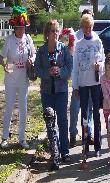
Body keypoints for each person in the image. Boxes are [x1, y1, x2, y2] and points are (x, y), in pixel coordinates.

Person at [34, 19, 73, 162]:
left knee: (62, 121)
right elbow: (37, 69)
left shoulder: (64, 49)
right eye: (53, 31)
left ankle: (65, 152)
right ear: (47, 33)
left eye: (57, 31)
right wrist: (47, 73)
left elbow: (70, 68)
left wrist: (60, 72)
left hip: (61, 91)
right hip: (46, 92)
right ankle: (54, 151)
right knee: (50, 123)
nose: (56, 33)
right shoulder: (42, 50)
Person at [0, 6, 35, 149]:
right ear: (14, 28)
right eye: (18, 28)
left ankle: (22, 138)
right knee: (8, 108)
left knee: (23, 109)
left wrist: (32, 59)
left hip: (23, 80)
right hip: (10, 80)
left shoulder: (28, 39)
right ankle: (5, 138)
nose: (20, 30)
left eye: (22, 27)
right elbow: (1, 56)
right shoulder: (9, 40)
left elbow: (33, 53)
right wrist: (4, 65)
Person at [72, 14, 105, 157]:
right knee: (84, 114)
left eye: (89, 27)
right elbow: (75, 68)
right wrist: (75, 87)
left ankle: (97, 145)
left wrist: (100, 66)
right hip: (83, 84)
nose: (87, 29)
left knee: (96, 115)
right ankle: (85, 145)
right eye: (85, 27)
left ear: (92, 27)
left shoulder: (98, 42)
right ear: (82, 27)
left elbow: (103, 61)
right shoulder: (78, 45)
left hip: (96, 83)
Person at [69, 9, 96, 147]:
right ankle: (72, 134)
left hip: (91, 81)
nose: (88, 24)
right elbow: (72, 61)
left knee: (89, 109)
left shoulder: (96, 37)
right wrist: (75, 86)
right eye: (86, 19)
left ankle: (88, 133)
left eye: (90, 19)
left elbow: (100, 58)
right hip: (79, 80)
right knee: (75, 109)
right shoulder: (76, 36)